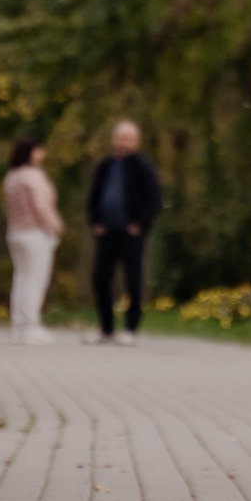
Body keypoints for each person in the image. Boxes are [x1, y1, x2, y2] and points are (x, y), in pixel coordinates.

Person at [83, 120, 162, 345]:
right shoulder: (105, 165)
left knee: (132, 279)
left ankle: (131, 329)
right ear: (114, 139)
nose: (124, 143)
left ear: (136, 142)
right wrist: (95, 221)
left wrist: (140, 224)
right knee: (100, 278)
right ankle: (106, 329)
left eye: (128, 139)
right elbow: (94, 196)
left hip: (131, 234)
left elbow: (154, 199)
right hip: (106, 232)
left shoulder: (142, 166)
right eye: (120, 138)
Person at [3, 139, 63, 344]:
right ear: (30, 153)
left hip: (15, 233)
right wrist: (54, 226)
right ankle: (31, 326)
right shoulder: (33, 175)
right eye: (38, 151)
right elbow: (40, 206)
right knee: (35, 281)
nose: (42, 154)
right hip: (35, 233)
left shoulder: (12, 176)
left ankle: (18, 326)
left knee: (21, 279)